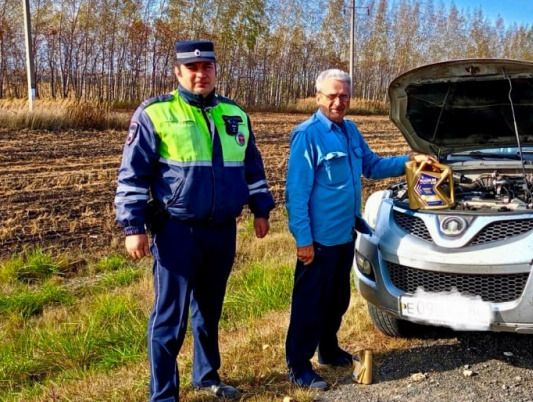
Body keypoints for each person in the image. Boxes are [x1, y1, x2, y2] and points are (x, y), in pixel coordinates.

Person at [115, 40, 275, 401]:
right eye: (192, 68)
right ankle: (163, 395)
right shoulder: (155, 113)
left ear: (216, 70)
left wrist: (261, 209)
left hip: (222, 231)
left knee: (209, 311)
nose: (200, 74)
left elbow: (252, 167)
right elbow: (133, 175)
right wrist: (133, 227)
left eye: (207, 67)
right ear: (178, 72)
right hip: (177, 231)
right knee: (169, 318)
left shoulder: (234, 113)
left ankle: (206, 376)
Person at [284, 69, 435, 390]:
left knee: (336, 300)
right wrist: (303, 239)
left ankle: (328, 350)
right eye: (332, 96)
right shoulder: (307, 134)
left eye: (344, 96)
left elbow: (372, 166)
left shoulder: (350, 130)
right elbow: (296, 193)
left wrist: (410, 161)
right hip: (319, 240)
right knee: (310, 304)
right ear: (318, 97)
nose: (338, 102)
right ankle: (298, 366)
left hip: (345, 233)